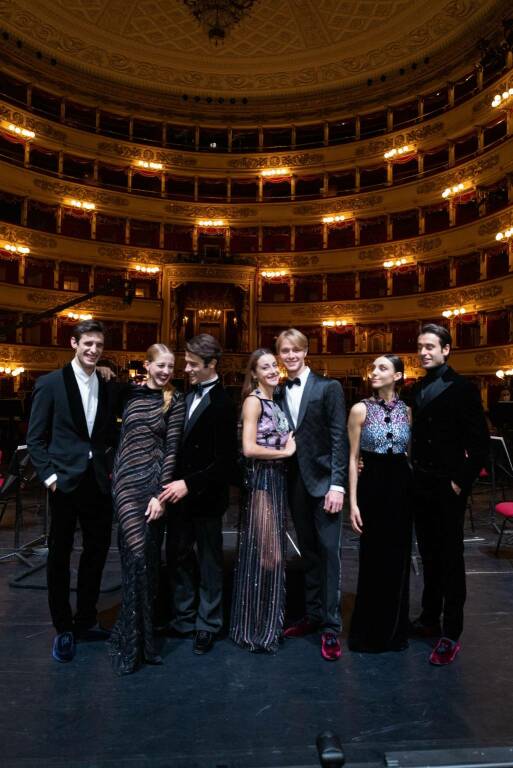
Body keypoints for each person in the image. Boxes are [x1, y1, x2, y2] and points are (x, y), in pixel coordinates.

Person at [27, 320, 117, 663]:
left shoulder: (107, 383)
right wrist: (50, 478)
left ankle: (85, 620)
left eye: (98, 345)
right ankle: (63, 628)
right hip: (63, 483)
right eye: (88, 344)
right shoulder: (50, 383)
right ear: (74, 343)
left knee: (96, 554)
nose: (93, 350)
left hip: (96, 482)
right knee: (60, 558)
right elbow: (35, 438)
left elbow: (106, 433)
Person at [409, 323, 489, 665]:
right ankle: (429, 618)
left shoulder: (463, 388)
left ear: (446, 349)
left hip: (447, 487)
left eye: (431, 346)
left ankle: (450, 631)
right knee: (427, 554)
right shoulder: (415, 388)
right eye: (421, 347)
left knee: (451, 560)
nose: (424, 352)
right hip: (420, 485)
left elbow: (480, 444)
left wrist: (459, 482)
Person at [108, 344, 185, 675]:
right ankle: (130, 638)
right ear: (147, 365)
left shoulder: (176, 401)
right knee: (133, 557)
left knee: (147, 561)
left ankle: (142, 639)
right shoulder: (130, 395)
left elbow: (171, 451)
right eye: (161, 365)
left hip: (152, 486)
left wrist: (159, 495)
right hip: (124, 483)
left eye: (170, 366)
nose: (166, 371)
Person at [159, 334, 238, 655]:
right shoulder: (185, 395)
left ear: (211, 365)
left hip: (204, 496)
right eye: (186, 362)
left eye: (193, 364)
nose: (186, 368)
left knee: (208, 562)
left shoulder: (224, 403)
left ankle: (208, 624)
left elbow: (225, 463)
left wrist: (188, 483)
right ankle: (184, 618)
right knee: (177, 556)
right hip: (178, 497)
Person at [275, 328, 348, 661]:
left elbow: (339, 439)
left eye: (295, 350)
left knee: (329, 553)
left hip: (325, 485)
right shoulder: (277, 391)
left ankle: (331, 627)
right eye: (284, 351)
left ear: (305, 352)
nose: (289, 356)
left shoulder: (328, 387)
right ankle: (314, 614)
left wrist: (338, 484)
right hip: (295, 484)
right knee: (308, 554)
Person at [230, 349, 296, 653]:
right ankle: (256, 629)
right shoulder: (253, 401)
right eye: (265, 367)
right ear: (254, 373)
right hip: (261, 481)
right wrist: (284, 453)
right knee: (270, 557)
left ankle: (268, 626)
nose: (272, 370)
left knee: (271, 555)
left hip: (278, 481)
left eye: (274, 365)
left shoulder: (276, 401)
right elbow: (247, 448)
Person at [347, 355, 412, 653]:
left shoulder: (409, 412)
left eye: (382, 368)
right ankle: (368, 633)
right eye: (372, 367)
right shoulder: (360, 409)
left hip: (401, 487)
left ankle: (395, 632)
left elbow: (411, 455)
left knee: (397, 561)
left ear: (398, 376)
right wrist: (354, 503)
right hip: (371, 486)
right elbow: (352, 459)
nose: (374, 372)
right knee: (372, 560)